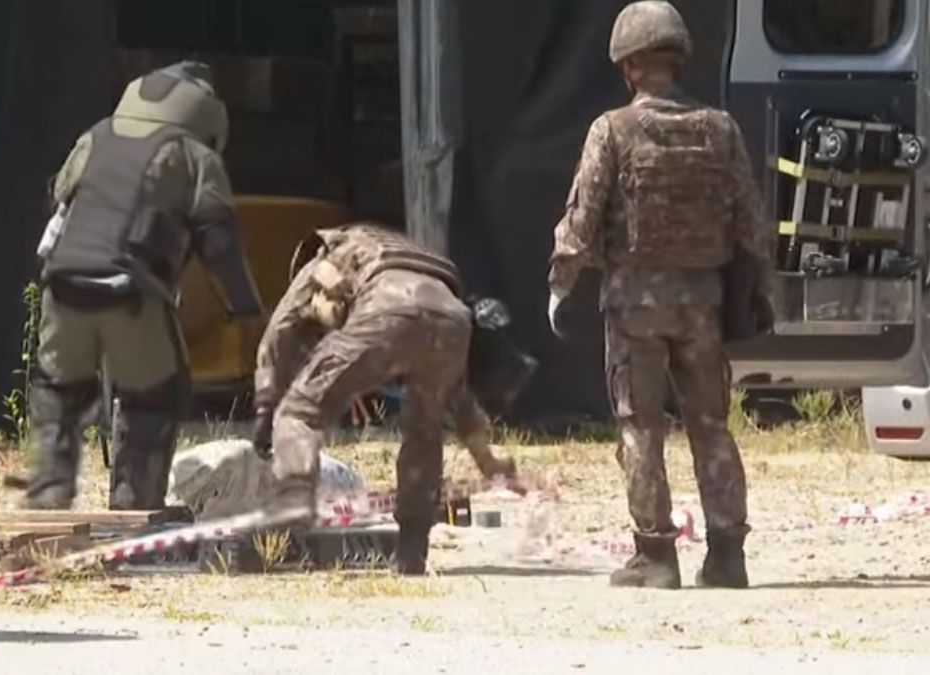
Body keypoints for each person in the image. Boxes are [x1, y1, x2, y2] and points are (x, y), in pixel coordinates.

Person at [547, 1, 774, 589]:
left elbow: (581, 218)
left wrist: (562, 280)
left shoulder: (612, 130)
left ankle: (655, 556)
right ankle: (727, 555)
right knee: (711, 425)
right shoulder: (720, 129)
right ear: (678, 60)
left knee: (641, 428)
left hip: (634, 307)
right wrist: (760, 289)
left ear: (628, 66)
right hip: (702, 303)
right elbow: (753, 224)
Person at [24, 61, 263, 511]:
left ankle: (45, 502)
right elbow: (219, 243)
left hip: (63, 282)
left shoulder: (95, 137)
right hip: (131, 291)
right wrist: (246, 309)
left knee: (59, 391)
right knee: (153, 395)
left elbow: (59, 195)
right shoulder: (195, 156)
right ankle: (134, 507)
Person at [252, 223, 537, 575]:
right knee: (424, 433)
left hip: (384, 312)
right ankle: (411, 552)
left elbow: (280, 330)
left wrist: (266, 407)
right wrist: (488, 462)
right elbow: (459, 399)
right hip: (453, 322)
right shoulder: (406, 255)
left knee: (299, 412)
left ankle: (291, 507)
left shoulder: (324, 260)